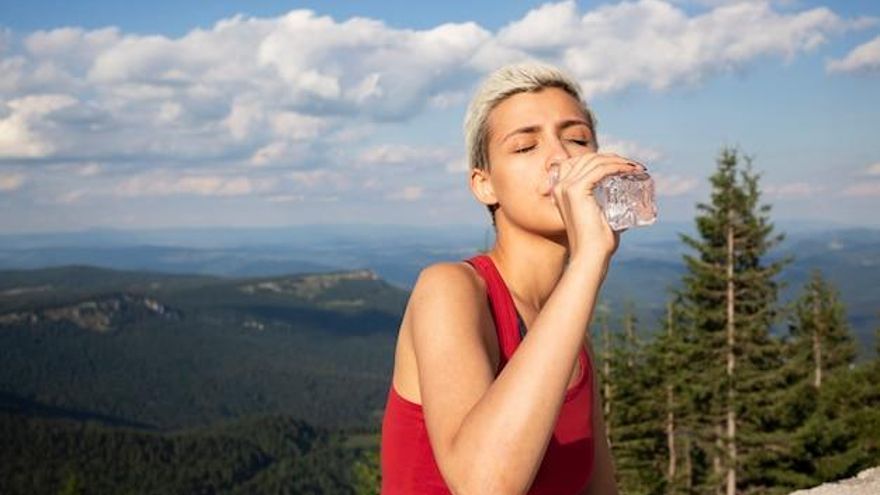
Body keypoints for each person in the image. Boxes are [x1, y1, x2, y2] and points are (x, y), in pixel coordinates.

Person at [381, 61, 640, 494]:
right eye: (525, 147)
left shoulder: (569, 330)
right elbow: (484, 486)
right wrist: (590, 257)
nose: (560, 158)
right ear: (485, 186)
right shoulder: (451, 289)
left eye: (577, 139)